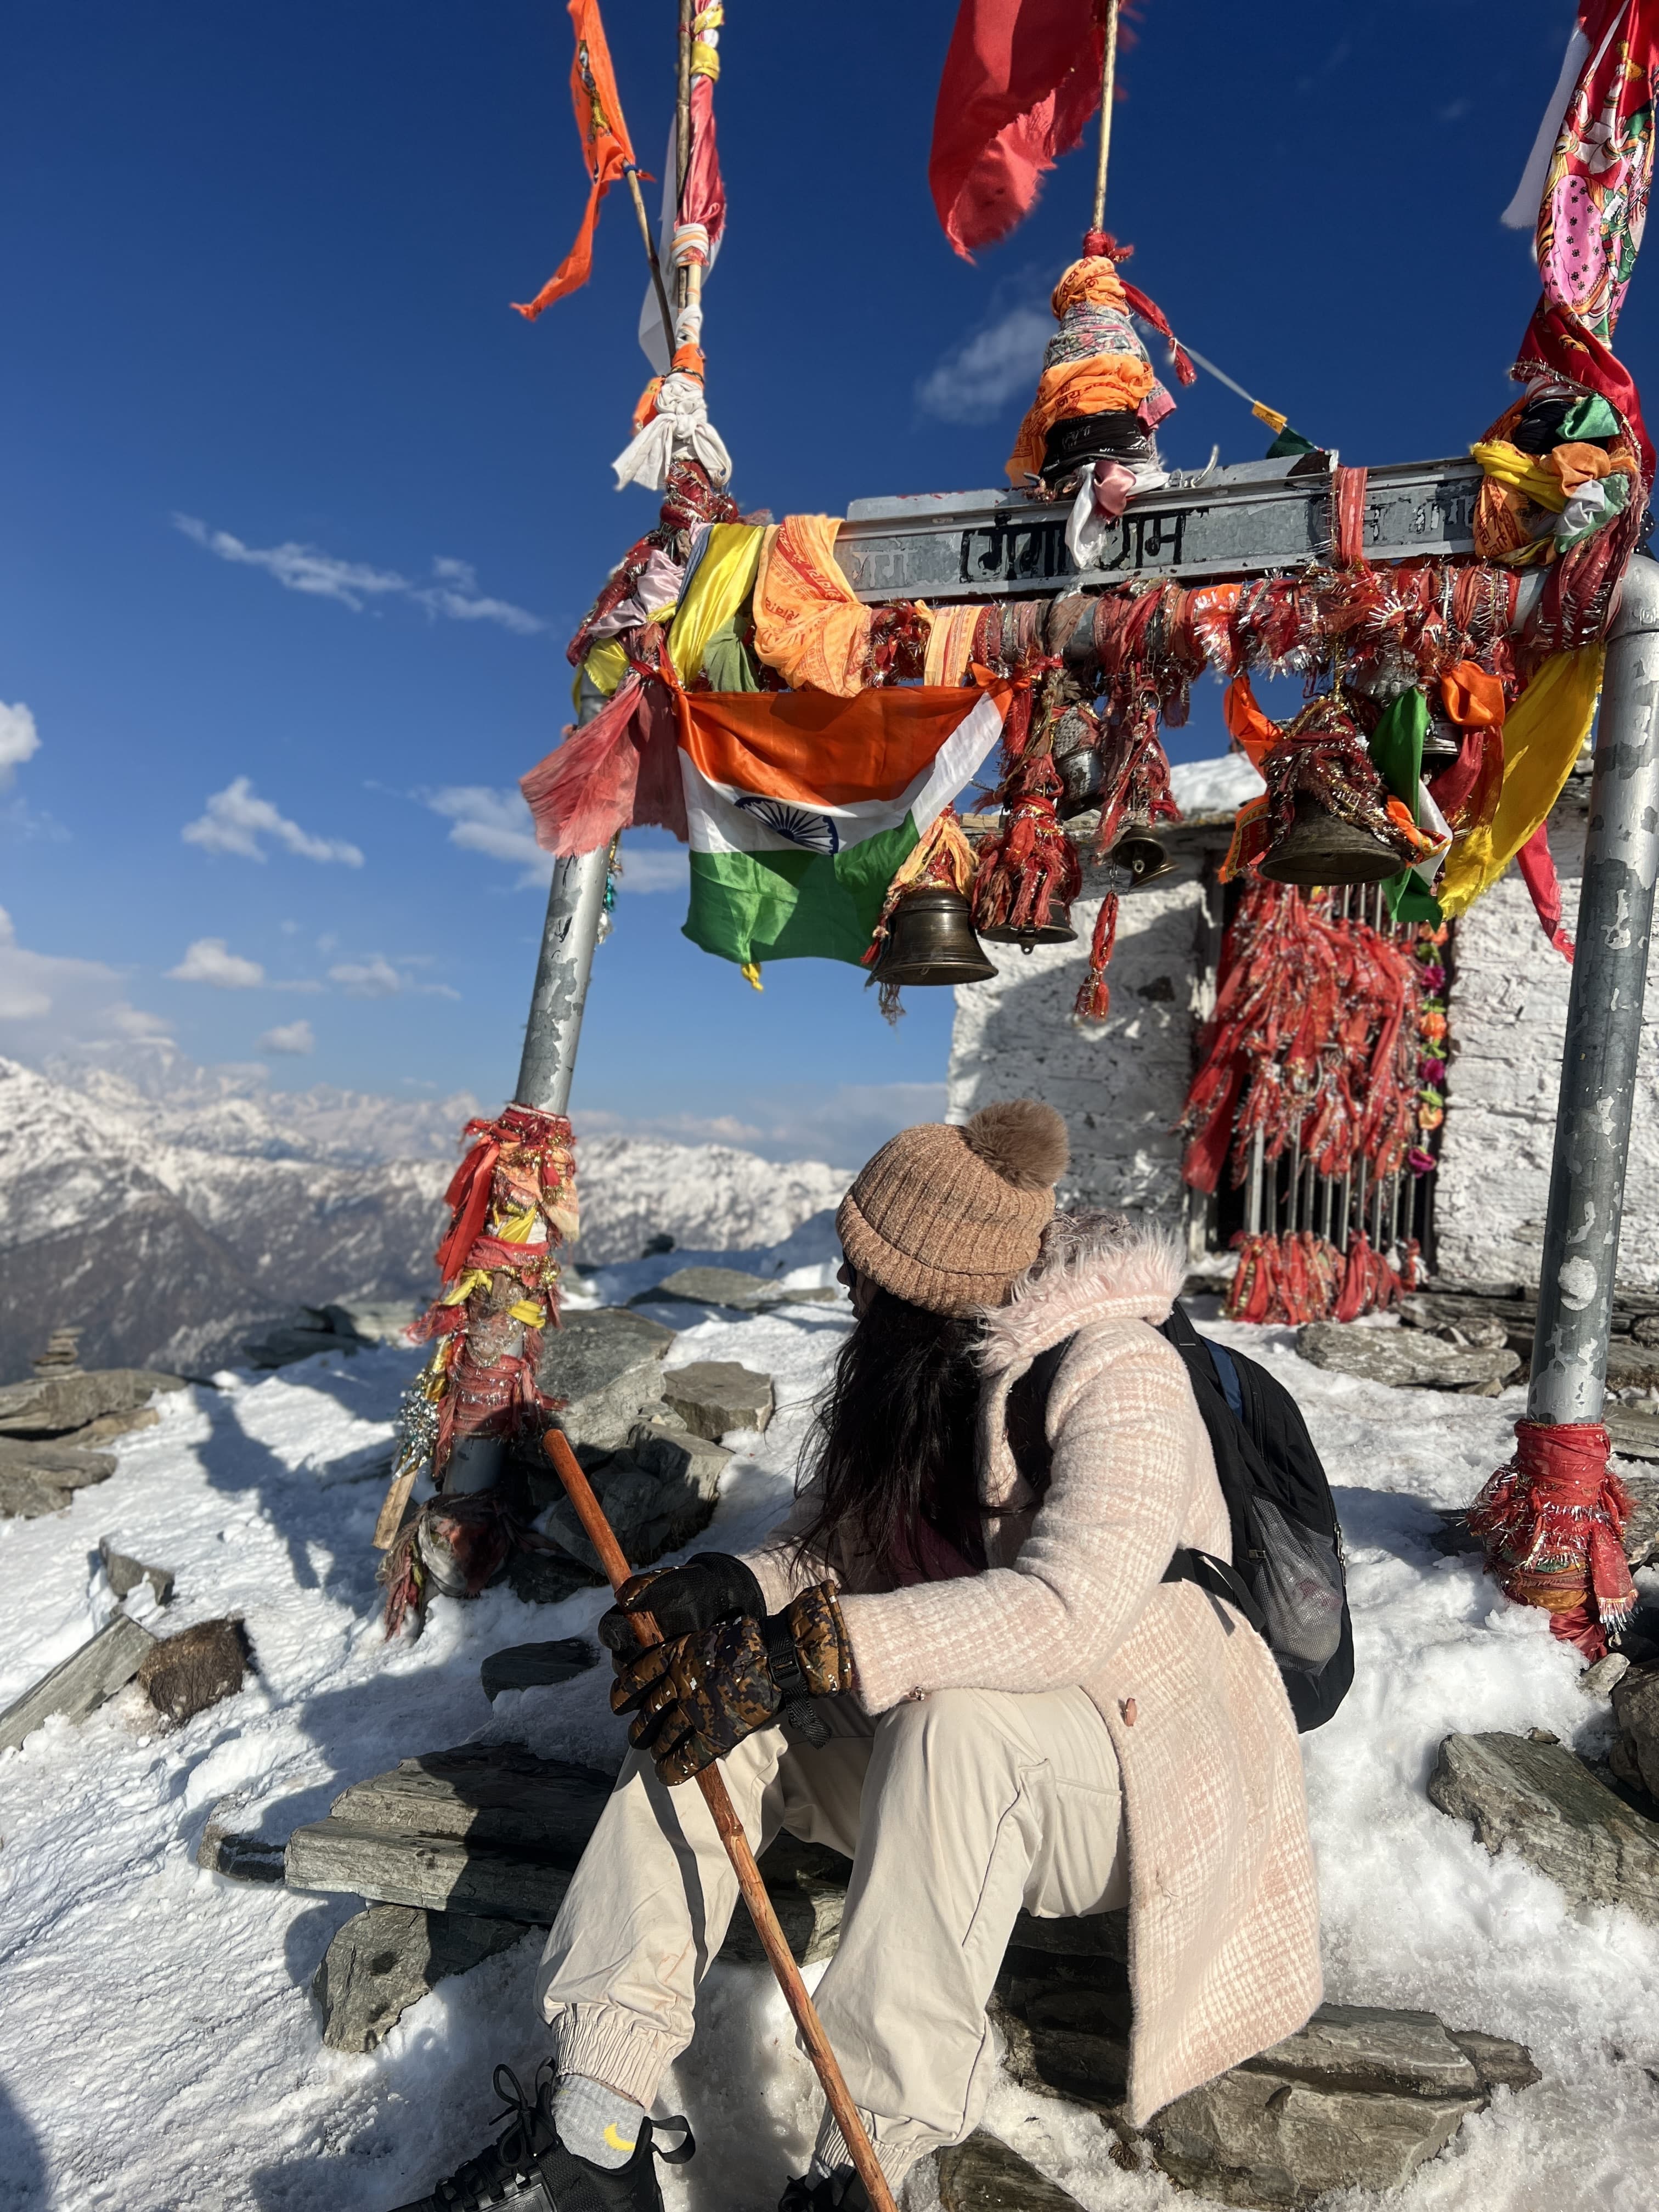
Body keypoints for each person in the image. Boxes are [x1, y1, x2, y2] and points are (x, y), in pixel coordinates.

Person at [391, 1100, 1321, 2212]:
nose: (845, 1289)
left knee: (956, 1724)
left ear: (925, 1287)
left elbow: (1066, 1611)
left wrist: (806, 1654)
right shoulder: (923, 1380)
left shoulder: (1119, 1377)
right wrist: (731, 1596)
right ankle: (595, 2113)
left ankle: (865, 2159)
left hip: (1127, 1778)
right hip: (946, 1769)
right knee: (704, 1715)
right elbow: (831, 1545)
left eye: (862, 1273)